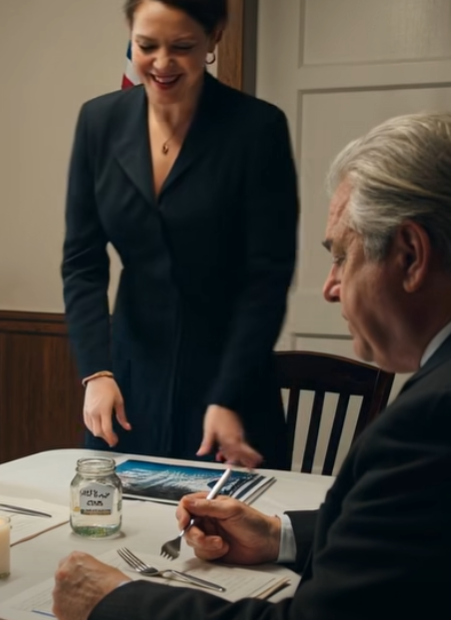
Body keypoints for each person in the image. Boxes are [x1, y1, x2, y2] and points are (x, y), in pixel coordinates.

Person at [52, 111, 451, 619]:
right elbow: (411, 541)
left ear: (411, 256)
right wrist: (277, 534)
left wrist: (117, 602)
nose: (329, 288)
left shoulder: (429, 422)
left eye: (342, 257)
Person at [61, 0, 298, 468]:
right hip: (127, 380)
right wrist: (96, 373)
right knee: (112, 528)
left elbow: (267, 278)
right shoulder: (98, 122)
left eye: (182, 47)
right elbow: (82, 262)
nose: (162, 64)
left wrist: (228, 395)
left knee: (227, 535)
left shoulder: (257, 128)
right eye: (147, 45)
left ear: (214, 38)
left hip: (230, 382)